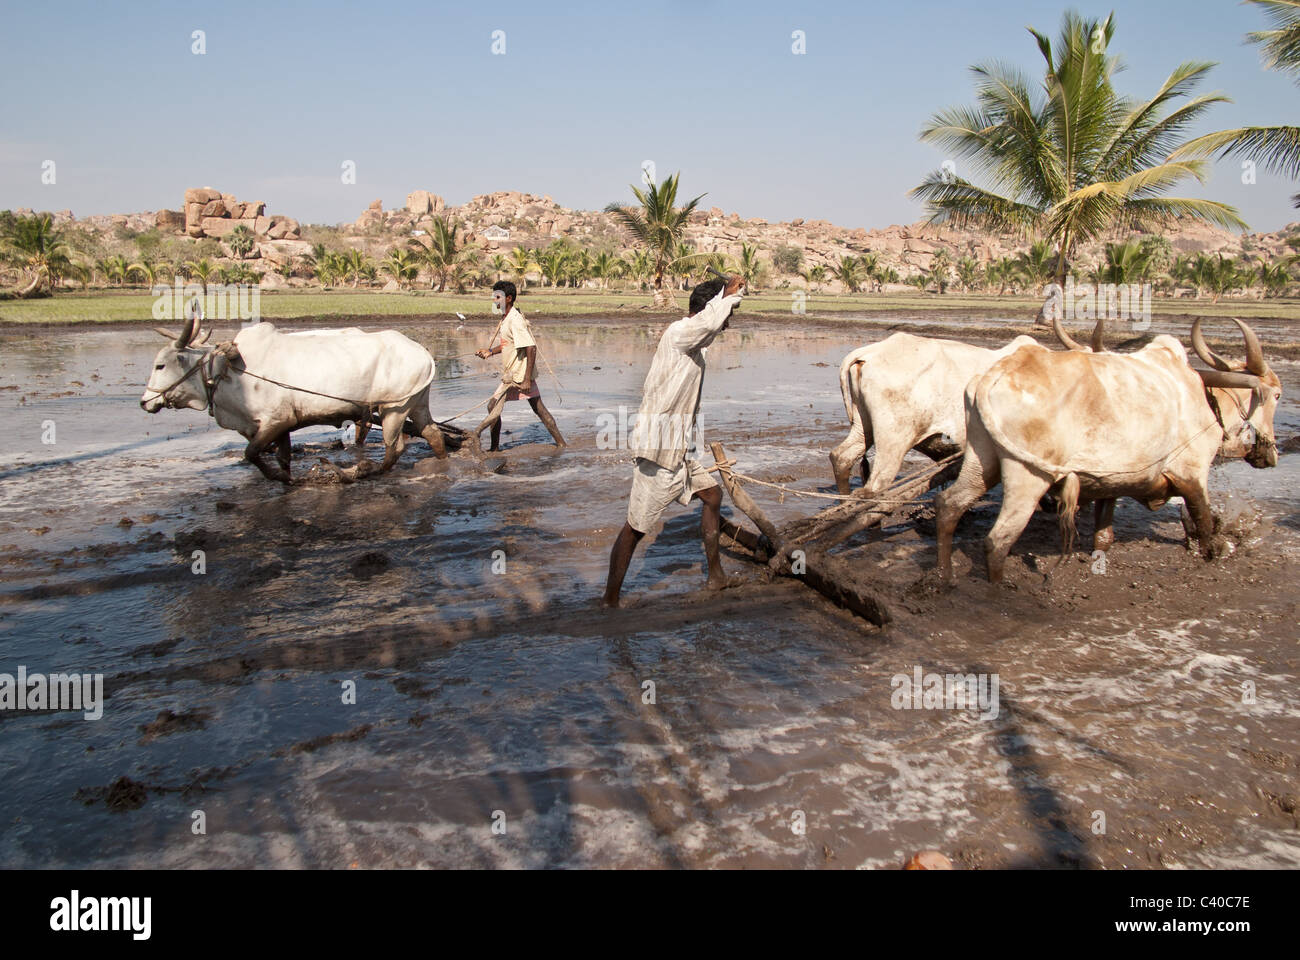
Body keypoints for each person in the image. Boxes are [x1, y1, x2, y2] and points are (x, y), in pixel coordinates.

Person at [602, 272, 745, 607]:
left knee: (711, 496)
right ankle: (609, 599)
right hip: (659, 450)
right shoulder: (680, 332)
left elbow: (708, 330)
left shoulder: (695, 346)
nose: (727, 324)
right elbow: (709, 325)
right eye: (725, 314)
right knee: (636, 528)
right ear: (709, 308)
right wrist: (730, 295)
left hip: (677, 449)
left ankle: (715, 576)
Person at [470, 280, 566, 452]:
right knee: (539, 409)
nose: (494, 301)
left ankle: (494, 448)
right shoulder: (506, 318)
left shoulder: (515, 319)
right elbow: (509, 343)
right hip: (515, 372)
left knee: (493, 406)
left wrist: (527, 379)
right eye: (493, 297)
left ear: (508, 298)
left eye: (497, 297)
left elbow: (530, 347)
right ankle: (561, 444)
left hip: (518, 375)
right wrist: (490, 351)